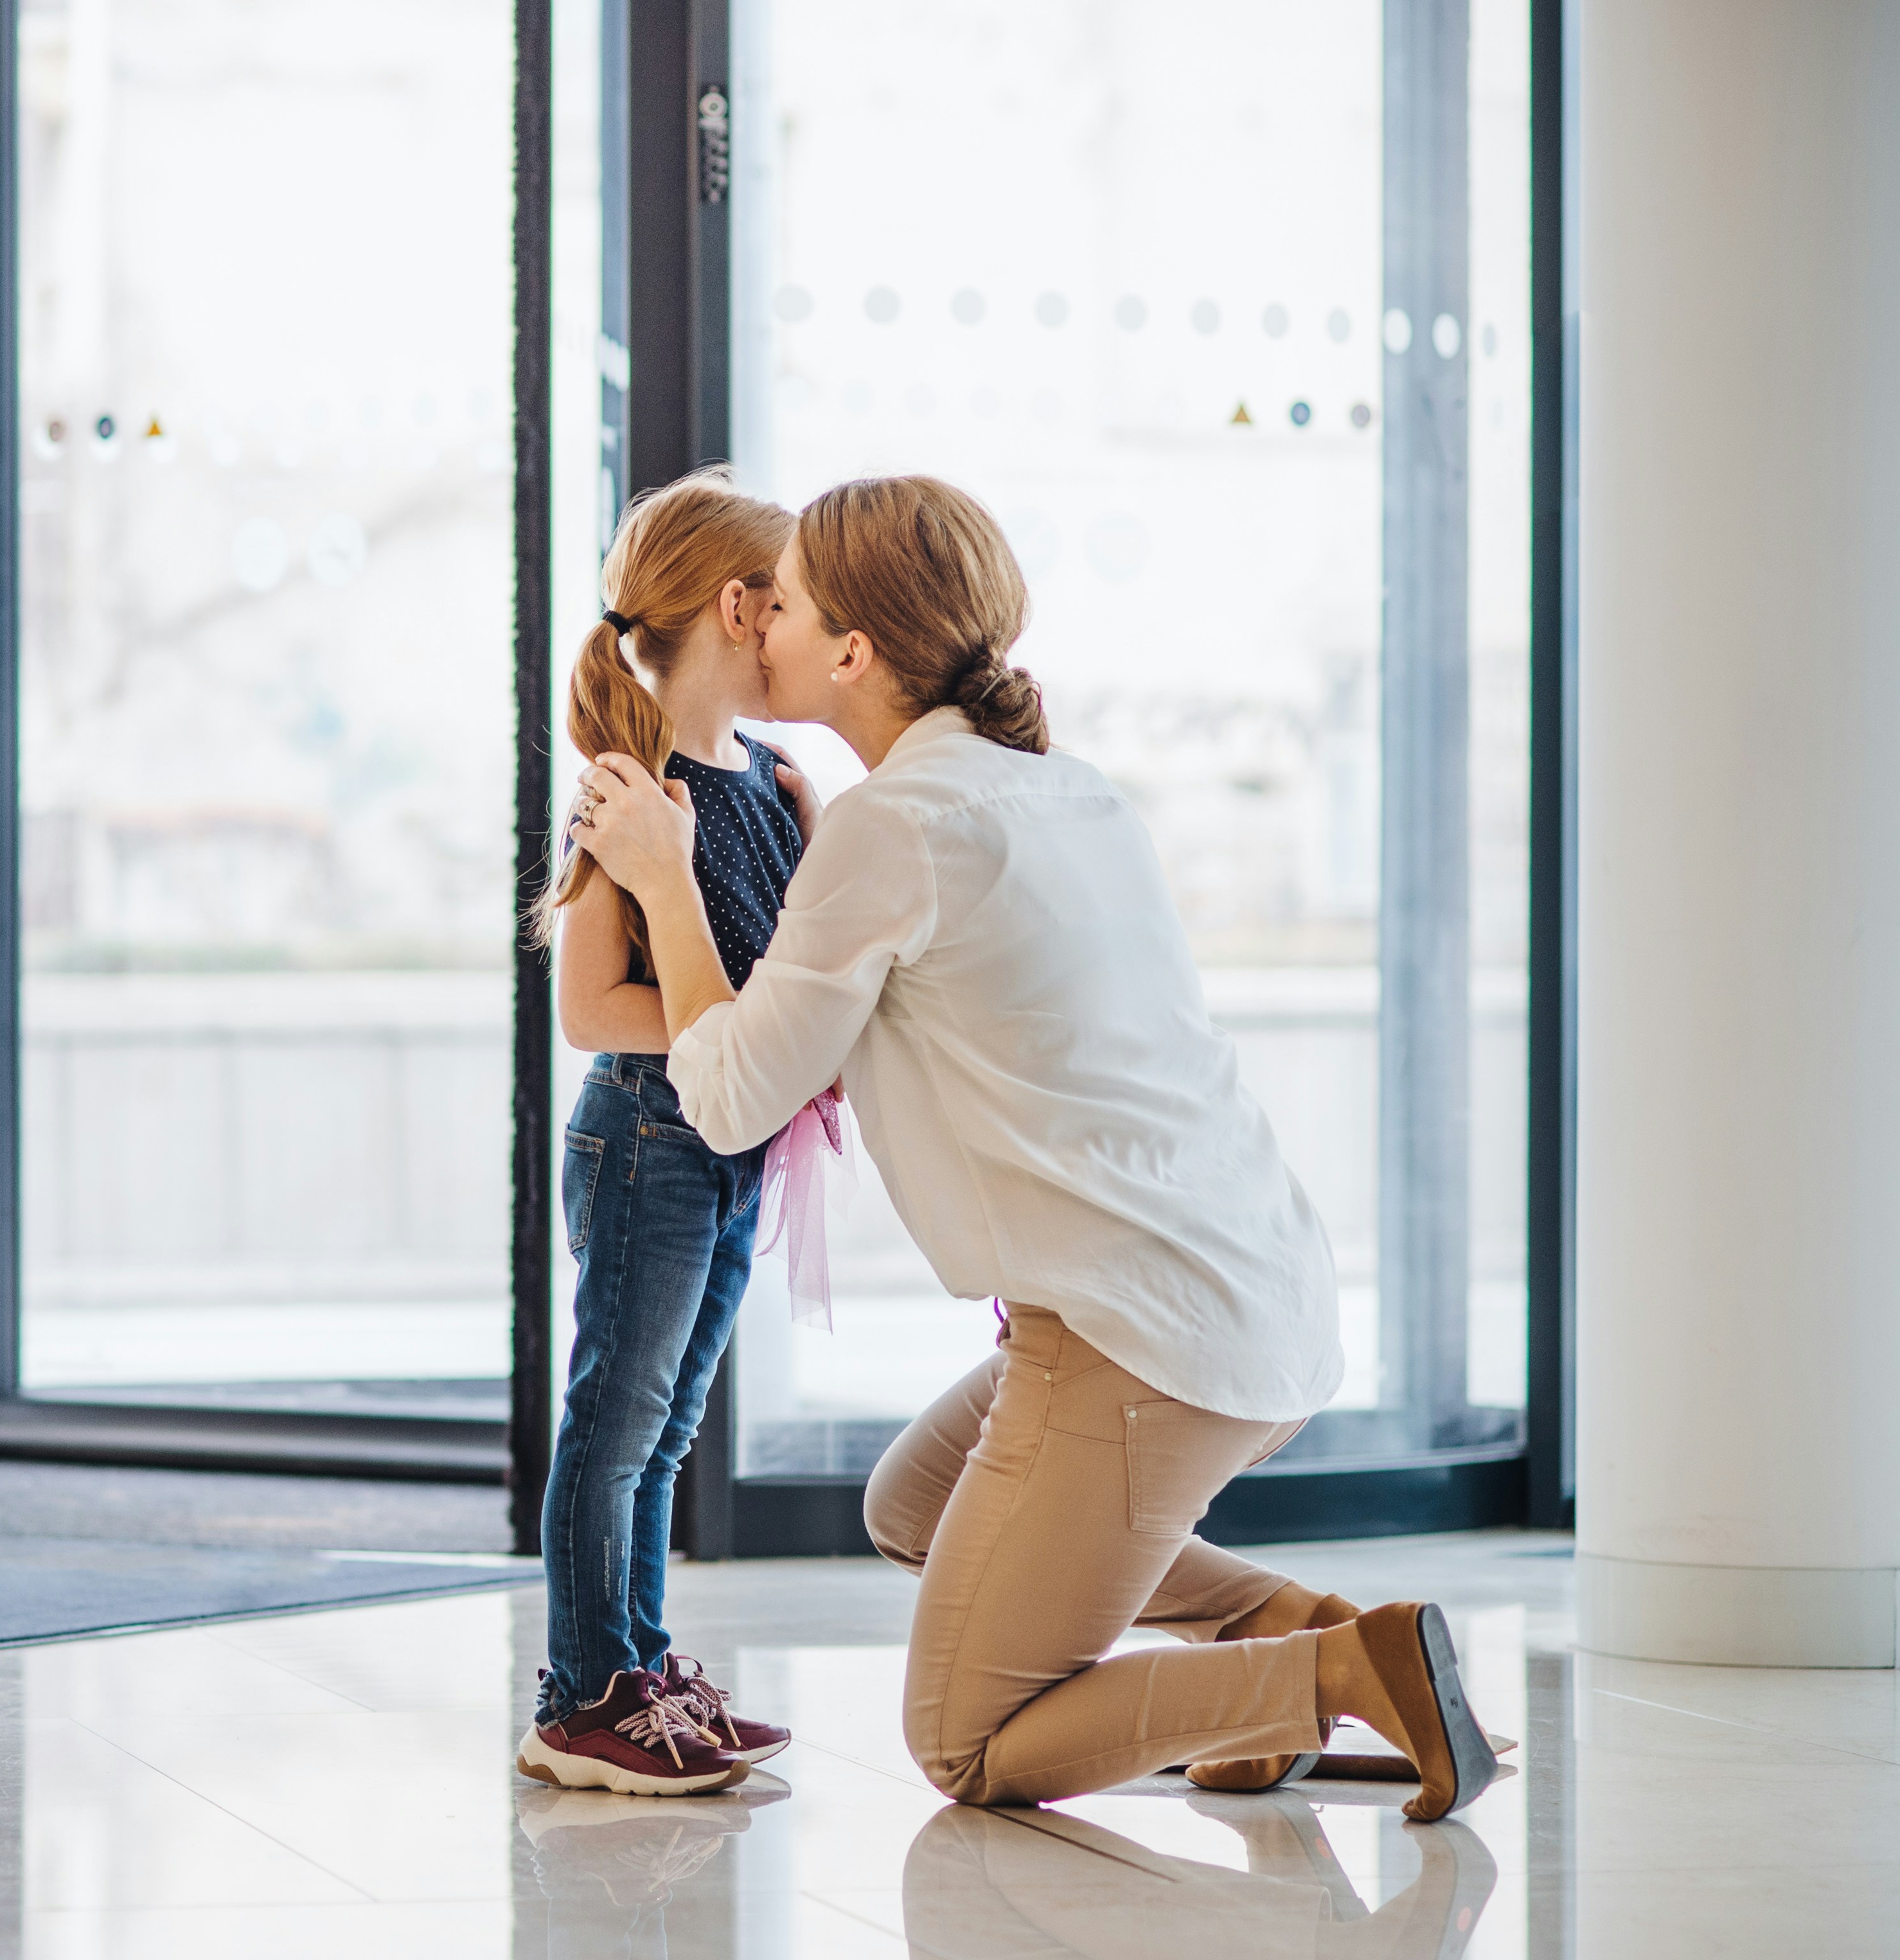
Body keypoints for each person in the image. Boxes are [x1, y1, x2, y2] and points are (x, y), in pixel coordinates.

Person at [568, 474, 1502, 1822]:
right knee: (912, 1505)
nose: (762, 622)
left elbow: (726, 1098)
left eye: (791, 605)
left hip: (1137, 1343)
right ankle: (1304, 1638)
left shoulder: (890, 825)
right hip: (1257, 1294)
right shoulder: (1063, 790)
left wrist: (665, 876)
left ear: (852, 651)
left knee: (968, 1742)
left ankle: (1334, 1673)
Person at [514, 470, 816, 1797]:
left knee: (667, 1422)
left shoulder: (772, 780)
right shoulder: (631, 792)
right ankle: (585, 1697)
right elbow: (591, 1007)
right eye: (793, 601)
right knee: (618, 1418)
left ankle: (638, 1671)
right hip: (649, 1136)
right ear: (739, 610)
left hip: (730, 1141)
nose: (807, 629)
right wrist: (742, 1031)